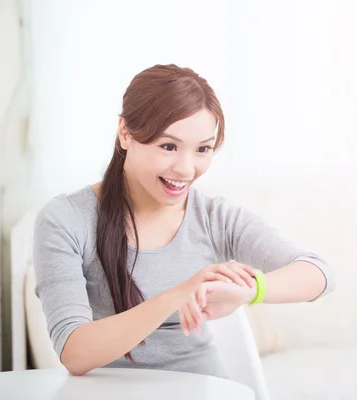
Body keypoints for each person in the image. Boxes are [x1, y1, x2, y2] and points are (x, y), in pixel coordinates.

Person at [32, 64, 335, 379]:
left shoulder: (213, 217)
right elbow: (75, 353)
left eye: (203, 149)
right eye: (168, 146)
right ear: (125, 133)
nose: (186, 169)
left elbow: (319, 273)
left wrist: (250, 291)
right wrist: (179, 293)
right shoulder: (66, 219)